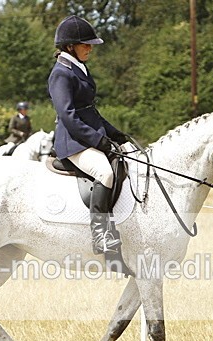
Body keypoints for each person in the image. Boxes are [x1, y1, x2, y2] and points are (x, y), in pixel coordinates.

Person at [48, 15, 129, 259]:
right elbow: (69, 116)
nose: (90, 48)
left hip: (86, 137)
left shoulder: (79, 68)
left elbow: (90, 112)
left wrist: (115, 134)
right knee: (104, 172)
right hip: (72, 142)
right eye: (86, 44)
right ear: (70, 46)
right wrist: (98, 140)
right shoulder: (61, 73)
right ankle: (100, 233)